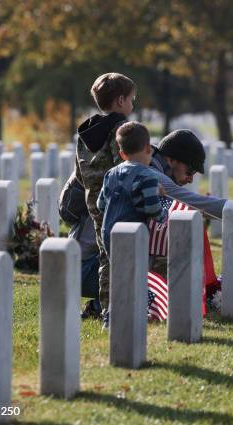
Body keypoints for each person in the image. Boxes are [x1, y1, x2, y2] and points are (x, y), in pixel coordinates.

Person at [148, 129, 233, 277]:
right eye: (190, 170)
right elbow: (195, 202)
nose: (190, 179)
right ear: (171, 160)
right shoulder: (153, 175)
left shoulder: (152, 167)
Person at [75, 72, 134, 329]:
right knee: (115, 255)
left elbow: (78, 172)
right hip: (116, 200)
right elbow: (123, 166)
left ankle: (108, 308)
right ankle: (112, 311)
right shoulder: (120, 130)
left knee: (105, 253)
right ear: (120, 100)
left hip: (93, 200)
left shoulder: (85, 133)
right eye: (132, 99)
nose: (133, 104)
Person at [97, 121, 167, 329]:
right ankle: (126, 315)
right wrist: (164, 214)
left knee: (118, 274)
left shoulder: (111, 173)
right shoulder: (149, 176)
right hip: (133, 232)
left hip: (109, 231)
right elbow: (153, 209)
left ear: (121, 153)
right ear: (148, 149)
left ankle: (110, 318)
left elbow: (101, 204)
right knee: (134, 276)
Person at [58, 171, 101, 319]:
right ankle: (100, 306)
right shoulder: (117, 178)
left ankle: (99, 305)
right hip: (84, 270)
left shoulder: (90, 170)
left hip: (73, 266)